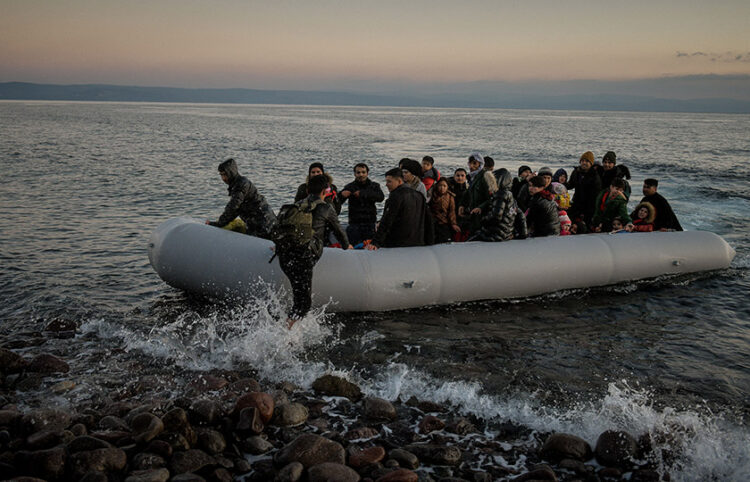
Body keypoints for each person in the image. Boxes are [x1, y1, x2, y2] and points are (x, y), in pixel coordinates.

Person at [276, 174, 351, 328]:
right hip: (303, 258)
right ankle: (283, 335)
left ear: (308, 189)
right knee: (303, 304)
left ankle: (289, 333)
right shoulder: (326, 208)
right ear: (326, 191)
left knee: (299, 300)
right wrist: (346, 245)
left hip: (284, 256)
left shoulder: (297, 204)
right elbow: (340, 235)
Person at [207, 158, 277, 239]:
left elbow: (233, 207)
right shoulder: (236, 185)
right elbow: (235, 210)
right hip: (256, 221)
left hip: (263, 221)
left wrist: (218, 224)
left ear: (231, 173)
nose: (223, 179)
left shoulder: (241, 185)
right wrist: (220, 223)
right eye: (221, 175)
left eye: (225, 175)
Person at [367, 168, 434, 249]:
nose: (386, 184)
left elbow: (387, 221)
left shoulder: (396, 196)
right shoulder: (419, 196)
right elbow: (428, 220)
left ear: (399, 181)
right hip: (417, 243)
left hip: (398, 244)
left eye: (389, 181)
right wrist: (430, 243)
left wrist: (375, 242)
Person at [470, 168, 526, 242]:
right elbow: (521, 215)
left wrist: (483, 220)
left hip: (495, 234)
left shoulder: (500, 194)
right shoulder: (510, 195)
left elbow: (496, 217)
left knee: (470, 241)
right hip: (506, 233)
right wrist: (523, 234)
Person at [339, 163, 385, 245]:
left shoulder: (374, 186)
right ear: (354, 174)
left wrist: (362, 194)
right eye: (358, 172)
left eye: (363, 172)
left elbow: (380, 197)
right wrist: (341, 195)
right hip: (354, 223)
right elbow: (338, 202)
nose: (361, 175)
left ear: (367, 173)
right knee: (353, 246)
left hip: (370, 223)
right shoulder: (350, 186)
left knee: (370, 247)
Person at [566, 151, 602, 228]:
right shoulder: (576, 172)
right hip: (576, 202)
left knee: (586, 226)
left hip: (589, 206)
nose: (584, 163)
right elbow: (571, 184)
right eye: (582, 161)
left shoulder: (594, 176)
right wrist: (561, 185)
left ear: (591, 163)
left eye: (587, 161)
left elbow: (596, 194)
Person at [467, 153, 498, 233]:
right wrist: (461, 205)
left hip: (483, 215)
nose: (471, 166)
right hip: (473, 214)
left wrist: (481, 207)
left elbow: (492, 197)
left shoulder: (486, 176)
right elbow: (468, 193)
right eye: (470, 163)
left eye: (474, 163)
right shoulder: (473, 177)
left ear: (480, 164)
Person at [428, 178, 460, 243]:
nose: (442, 188)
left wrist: (453, 223)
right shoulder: (432, 195)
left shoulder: (450, 197)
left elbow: (452, 211)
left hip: (445, 222)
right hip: (433, 221)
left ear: (447, 187)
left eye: (444, 186)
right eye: (440, 185)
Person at [448, 168, 472, 241]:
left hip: (464, 217)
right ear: (454, 176)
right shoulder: (449, 189)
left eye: (462, 175)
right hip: (452, 217)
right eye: (457, 175)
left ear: (465, 177)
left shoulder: (468, 189)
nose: (460, 177)